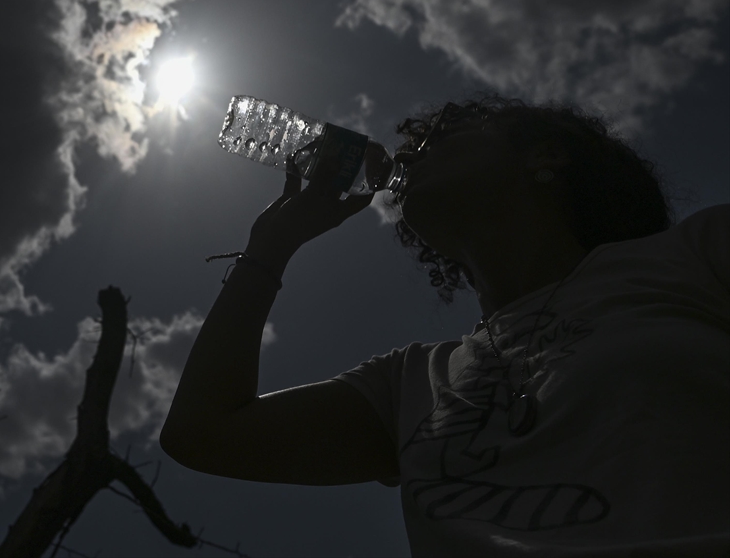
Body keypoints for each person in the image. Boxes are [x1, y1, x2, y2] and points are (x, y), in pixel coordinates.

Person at [160, 95, 729, 557]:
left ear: (544, 156)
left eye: (439, 139)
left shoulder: (694, 254)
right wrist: (272, 245)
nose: (405, 159)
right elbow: (203, 433)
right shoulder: (410, 382)